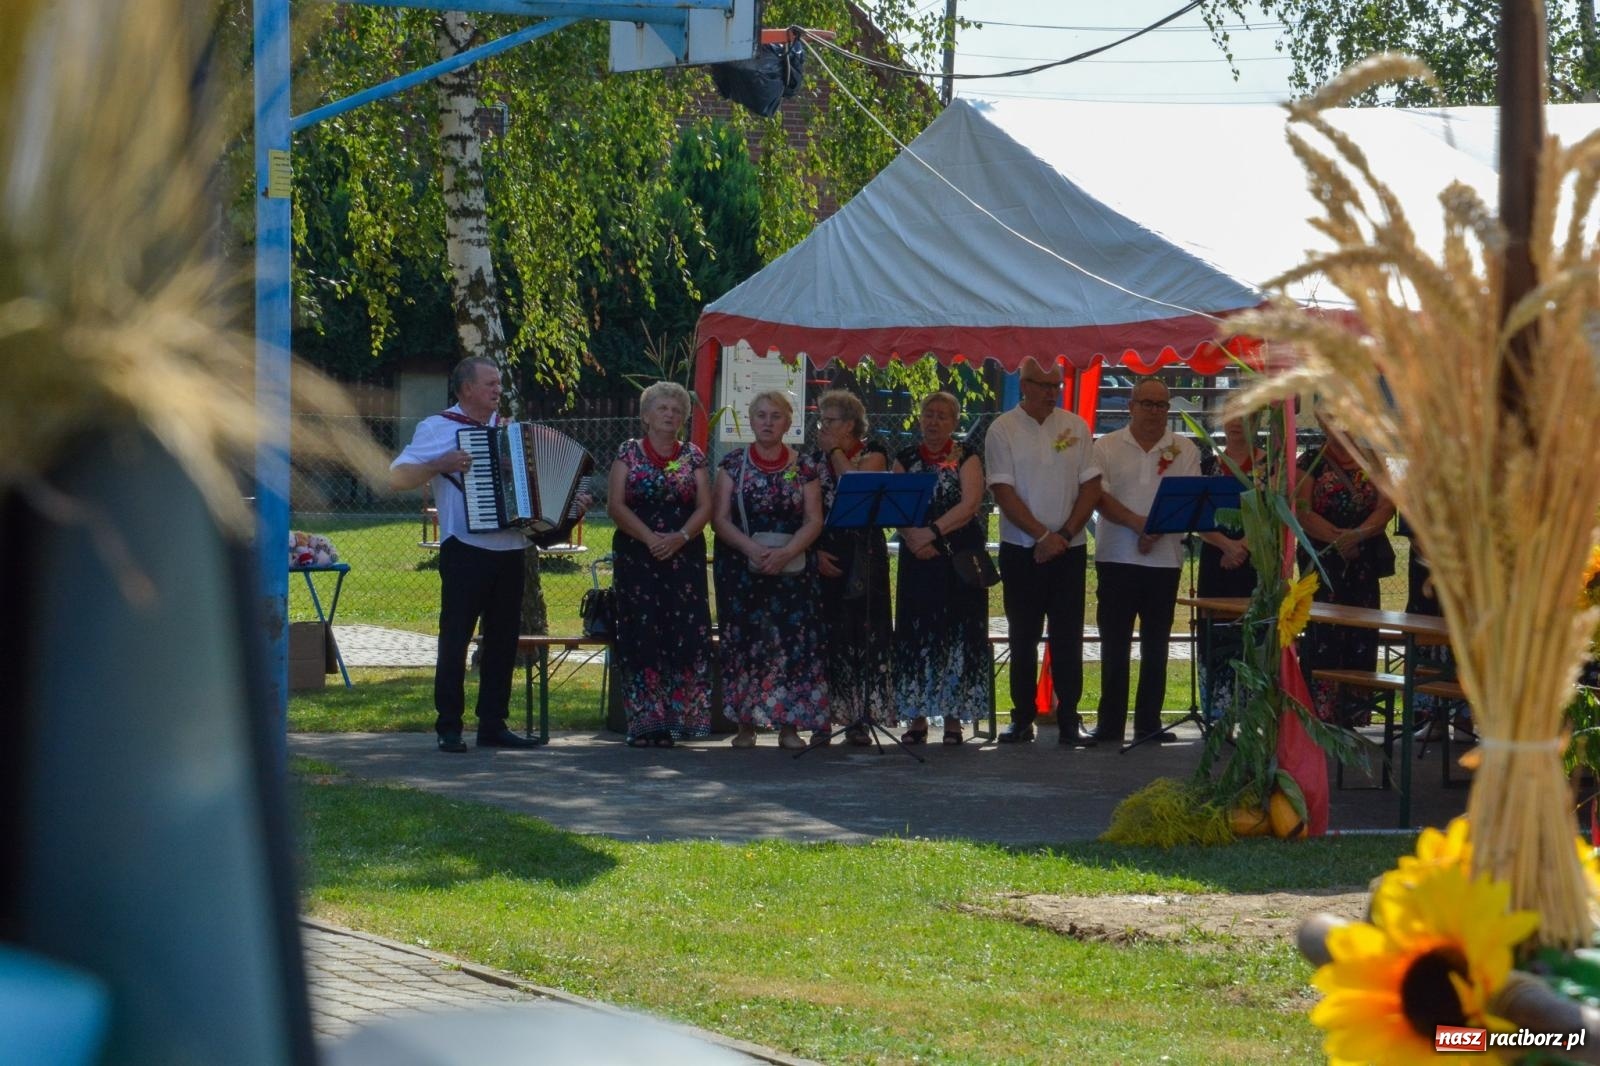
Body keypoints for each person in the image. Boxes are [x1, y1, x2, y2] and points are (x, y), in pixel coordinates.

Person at [389, 356, 585, 753]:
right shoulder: (438, 428)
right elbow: (396, 477)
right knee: (456, 638)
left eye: (498, 384)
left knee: (502, 641)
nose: (498, 390)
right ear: (466, 389)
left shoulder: (511, 432)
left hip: (513, 549)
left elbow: (534, 491)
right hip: (465, 549)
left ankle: (493, 724)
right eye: (490, 384)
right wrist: (439, 464)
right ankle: (449, 726)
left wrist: (568, 505)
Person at [984, 358, 1102, 746]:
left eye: (1057, 387)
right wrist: (1041, 536)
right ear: (1025, 385)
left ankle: (1069, 718)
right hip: (1022, 550)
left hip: (1069, 548)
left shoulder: (1075, 425)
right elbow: (1003, 491)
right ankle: (1022, 717)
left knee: (1068, 635)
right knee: (1023, 635)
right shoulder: (1003, 429)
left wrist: (1063, 535)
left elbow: (1091, 486)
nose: (1053, 393)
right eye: (1045, 386)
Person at [711, 391, 830, 749]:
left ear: (788, 422)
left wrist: (788, 552)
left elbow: (814, 519)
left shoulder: (805, 467)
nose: (767, 422)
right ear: (751, 420)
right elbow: (719, 518)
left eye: (775, 416)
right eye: (761, 415)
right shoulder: (733, 464)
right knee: (746, 642)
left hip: (793, 570)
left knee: (792, 645)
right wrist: (751, 549)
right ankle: (745, 725)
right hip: (742, 568)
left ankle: (789, 727)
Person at [1091, 378, 1201, 745]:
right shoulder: (1106, 445)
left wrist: (1153, 529)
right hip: (1115, 557)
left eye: (1161, 405)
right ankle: (1109, 724)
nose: (1155, 412)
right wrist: (1137, 524)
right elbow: (1099, 497)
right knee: (1114, 644)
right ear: (1131, 406)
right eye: (1147, 404)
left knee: (1157, 645)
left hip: (1165, 560)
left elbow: (1188, 498)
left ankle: (1149, 723)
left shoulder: (1184, 448)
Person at [606, 381, 714, 748]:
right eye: (662, 408)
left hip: (683, 559)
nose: (670, 414)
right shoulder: (628, 452)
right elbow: (615, 505)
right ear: (646, 416)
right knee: (642, 635)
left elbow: (705, 506)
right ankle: (645, 724)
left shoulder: (693, 456)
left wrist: (680, 537)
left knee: (683, 636)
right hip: (638, 557)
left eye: (676, 409)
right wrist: (650, 537)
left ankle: (677, 721)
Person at [892, 391, 990, 745]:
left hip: (957, 558)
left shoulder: (967, 455)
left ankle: (953, 720)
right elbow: (895, 504)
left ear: (954, 422)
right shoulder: (905, 458)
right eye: (928, 414)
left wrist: (932, 532)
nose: (933, 421)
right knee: (917, 634)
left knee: (958, 634)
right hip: (918, 558)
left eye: (942, 416)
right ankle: (916, 719)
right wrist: (914, 538)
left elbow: (970, 503)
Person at [1296, 429, 1396, 726]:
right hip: (1321, 561)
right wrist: (1338, 541)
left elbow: (1387, 506)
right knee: (1322, 636)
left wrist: (1358, 535)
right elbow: (1302, 511)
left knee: (1361, 635)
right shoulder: (1311, 461)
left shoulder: (1374, 461)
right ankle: (1320, 715)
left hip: (1363, 562)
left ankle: (1354, 714)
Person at [811, 389, 893, 746]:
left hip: (864, 553)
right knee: (828, 636)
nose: (823, 428)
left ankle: (861, 717)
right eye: (821, 421)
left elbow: (854, 487)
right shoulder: (813, 460)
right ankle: (824, 717)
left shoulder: (873, 452)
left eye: (830, 421)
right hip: (825, 552)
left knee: (864, 633)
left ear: (849, 424)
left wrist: (835, 452)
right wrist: (814, 551)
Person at [1195, 417, 1261, 720]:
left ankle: (1251, 710)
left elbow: (1272, 512)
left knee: (1252, 632)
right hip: (1215, 557)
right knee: (1214, 632)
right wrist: (1226, 546)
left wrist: (1242, 546)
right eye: (1232, 417)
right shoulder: (1207, 466)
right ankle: (1217, 711)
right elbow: (1196, 514)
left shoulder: (1269, 465)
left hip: (1256, 558)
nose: (1237, 424)